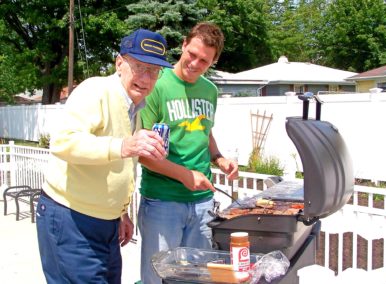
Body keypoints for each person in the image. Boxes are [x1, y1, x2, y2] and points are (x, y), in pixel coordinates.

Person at [36, 29, 173, 284]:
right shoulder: (95, 90)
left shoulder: (136, 107)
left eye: (154, 71)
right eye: (140, 66)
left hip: (105, 223)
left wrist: (121, 213)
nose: (146, 78)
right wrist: (125, 146)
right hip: (71, 218)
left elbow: (118, 168)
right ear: (119, 63)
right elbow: (63, 142)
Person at [138, 22, 239, 284]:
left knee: (199, 277)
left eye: (204, 60)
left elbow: (205, 131)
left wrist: (220, 159)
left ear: (213, 61)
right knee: (157, 277)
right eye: (191, 54)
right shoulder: (157, 85)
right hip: (162, 200)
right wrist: (184, 175)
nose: (194, 63)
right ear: (183, 45)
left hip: (203, 202)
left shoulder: (210, 90)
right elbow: (143, 153)